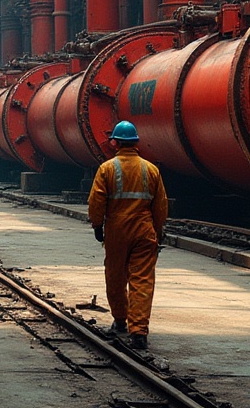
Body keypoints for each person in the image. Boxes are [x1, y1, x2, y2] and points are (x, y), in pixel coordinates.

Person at [87, 120, 168, 350]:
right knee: (142, 281)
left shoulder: (107, 169)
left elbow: (97, 201)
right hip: (144, 230)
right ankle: (139, 332)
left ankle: (121, 321)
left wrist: (97, 226)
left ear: (116, 143)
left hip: (117, 230)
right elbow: (160, 205)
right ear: (135, 143)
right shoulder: (151, 170)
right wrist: (158, 229)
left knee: (115, 277)